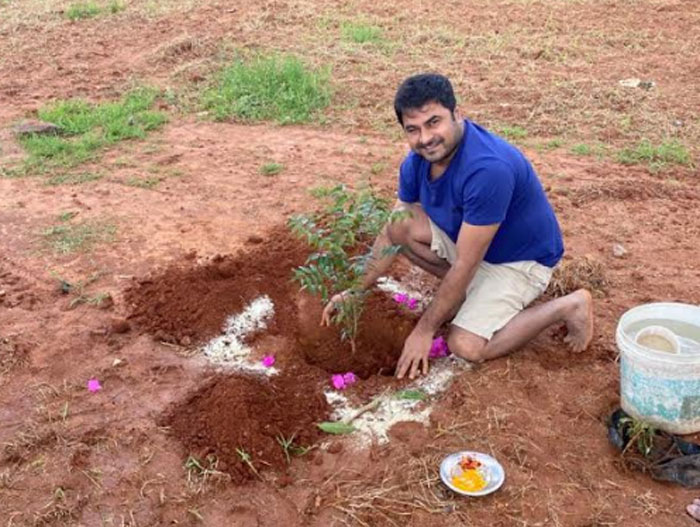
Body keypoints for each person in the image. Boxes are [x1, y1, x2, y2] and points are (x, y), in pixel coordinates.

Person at [321, 73, 593, 379]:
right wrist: (356, 291)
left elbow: (465, 262)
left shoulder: (488, 170)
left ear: (457, 114)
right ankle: (471, 293)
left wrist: (424, 330)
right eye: (413, 129)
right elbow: (391, 230)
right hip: (473, 247)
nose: (425, 138)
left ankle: (569, 306)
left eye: (434, 122)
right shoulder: (416, 162)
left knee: (465, 345)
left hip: (519, 262)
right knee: (399, 225)